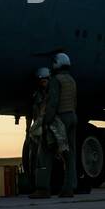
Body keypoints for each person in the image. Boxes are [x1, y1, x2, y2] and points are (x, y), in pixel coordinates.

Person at [33, 52, 78, 199]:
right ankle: (69, 188)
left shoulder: (55, 80)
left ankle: (42, 188)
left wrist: (46, 123)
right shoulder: (71, 80)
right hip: (72, 116)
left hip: (60, 119)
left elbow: (53, 103)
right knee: (69, 154)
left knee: (45, 151)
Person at [22, 66, 50, 195]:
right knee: (32, 158)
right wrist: (28, 131)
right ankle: (35, 185)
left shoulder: (51, 95)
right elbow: (29, 113)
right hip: (37, 129)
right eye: (41, 80)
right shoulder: (36, 95)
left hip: (46, 128)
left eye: (45, 80)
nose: (43, 82)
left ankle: (42, 186)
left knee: (41, 159)